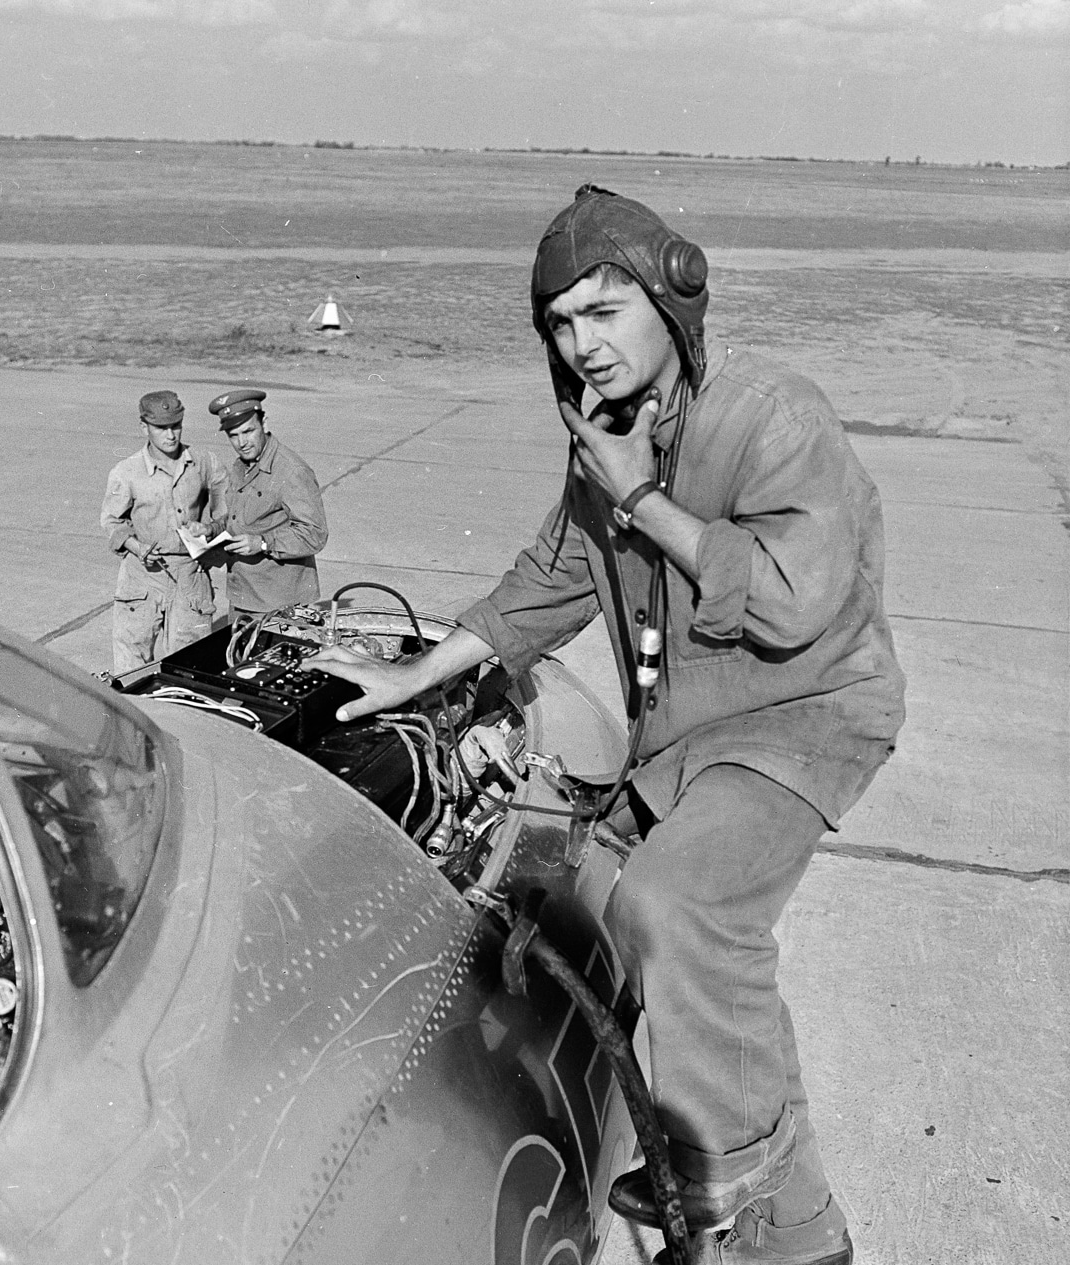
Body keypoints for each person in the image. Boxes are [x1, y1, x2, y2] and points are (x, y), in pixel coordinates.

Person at [312, 186, 905, 1265]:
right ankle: (802, 1231)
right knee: (591, 905)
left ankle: (720, 1182)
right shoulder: (609, 435)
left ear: (671, 298)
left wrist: (640, 501)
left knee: (674, 908)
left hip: (802, 717)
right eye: (559, 325)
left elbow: (786, 602)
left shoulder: (772, 416)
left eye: (603, 311)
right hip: (685, 738)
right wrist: (421, 671)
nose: (581, 346)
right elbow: (549, 576)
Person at [99, 389, 228, 672]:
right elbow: (112, 521)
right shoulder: (126, 471)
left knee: (191, 664)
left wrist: (209, 528)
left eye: (176, 426)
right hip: (142, 575)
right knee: (131, 663)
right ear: (144, 426)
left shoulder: (204, 463)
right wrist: (136, 546)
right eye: (161, 428)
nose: (170, 435)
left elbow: (227, 512)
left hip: (188, 574)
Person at [207, 388, 329, 620]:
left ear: (264, 423)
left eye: (248, 431)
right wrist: (211, 529)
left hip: (280, 603)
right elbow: (241, 519)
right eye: (233, 435)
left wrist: (263, 544)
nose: (242, 442)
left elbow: (315, 534)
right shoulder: (242, 465)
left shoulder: (291, 470)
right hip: (243, 594)